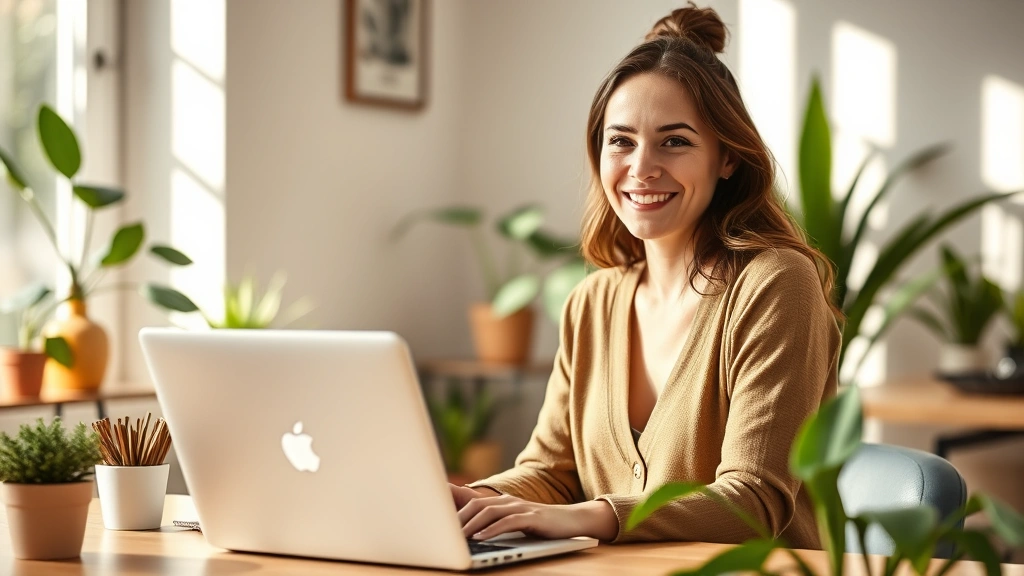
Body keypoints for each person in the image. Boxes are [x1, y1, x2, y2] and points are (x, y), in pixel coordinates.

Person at [449, 3, 841, 547]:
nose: (641, 167)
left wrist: (591, 517)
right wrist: (470, 501)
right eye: (621, 140)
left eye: (674, 141)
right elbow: (551, 473)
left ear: (726, 157)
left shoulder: (775, 284)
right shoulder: (592, 303)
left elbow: (754, 499)